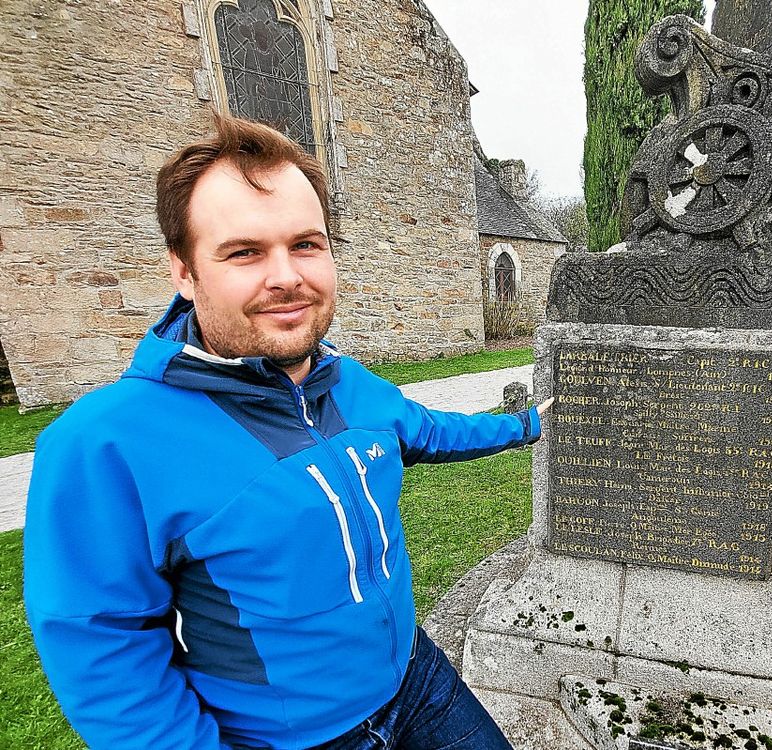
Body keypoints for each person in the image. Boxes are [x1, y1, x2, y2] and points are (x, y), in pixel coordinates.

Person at [23, 114, 551, 749]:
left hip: (418, 686)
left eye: (306, 244)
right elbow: (103, 648)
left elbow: (428, 431)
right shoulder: (103, 445)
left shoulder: (348, 381)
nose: (287, 276)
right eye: (245, 251)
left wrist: (525, 425)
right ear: (185, 273)